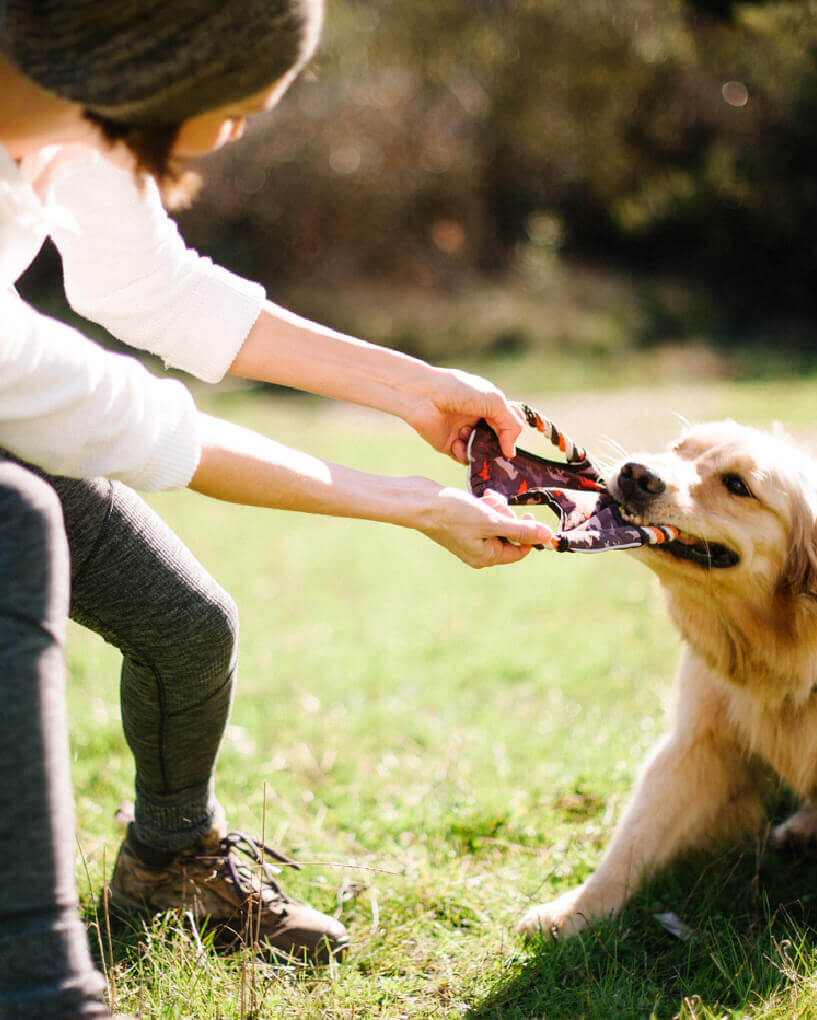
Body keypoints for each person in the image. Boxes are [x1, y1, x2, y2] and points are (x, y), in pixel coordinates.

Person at [0, 1, 555, 1016]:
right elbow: (146, 427)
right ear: (171, 69)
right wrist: (418, 508)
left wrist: (410, 387)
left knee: (185, 624)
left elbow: (155, 291)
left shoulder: (69, 108)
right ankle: (39, 987)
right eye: (245, 102)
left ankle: (171, 861)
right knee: (14, 531)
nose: (248, 125)